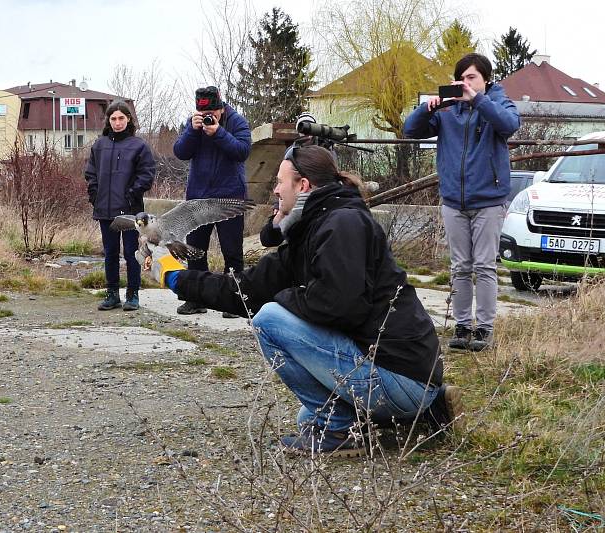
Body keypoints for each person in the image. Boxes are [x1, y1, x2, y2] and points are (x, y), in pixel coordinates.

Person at [138, 145, 463, 456]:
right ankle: (423, 413)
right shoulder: (314, 228)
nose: (276, 191)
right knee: (306, 418)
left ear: (303, 184)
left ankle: (343, 430)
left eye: (280, 182)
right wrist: (177, 277)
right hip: (395, 374)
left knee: (269, 319)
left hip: (400, 373)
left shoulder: (343, 224)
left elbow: (339, 306)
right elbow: (246, 289)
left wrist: (281, 301)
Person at [404, 53, 521, 352]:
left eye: (472, 78)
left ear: (486, 80)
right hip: (454, 200)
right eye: (462, 78)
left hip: (488, 200)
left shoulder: (496, 102)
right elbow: (411, 130)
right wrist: (427, 108)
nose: (466, 83)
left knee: (484, 266)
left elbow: (509, 124)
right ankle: (461, 324)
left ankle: (483, 329)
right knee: (459, 266)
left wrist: (477, 101)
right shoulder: (448, 109)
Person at [172, 86, 251, 316]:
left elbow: (243, 151)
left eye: (213, 114)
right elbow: (180, 152)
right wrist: (193, 131)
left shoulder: (236, 121)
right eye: (205, 114)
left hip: (229, 197)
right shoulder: (193, 123)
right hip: (199, 198)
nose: (209, 118)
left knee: (232, 251)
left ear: (221, 108)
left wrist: (218, 132)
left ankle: (234, 301)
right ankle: (196, 299)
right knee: (195, 250)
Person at [86, 100, 155, 311]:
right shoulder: (99, 145)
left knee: (132, 252)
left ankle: (133, 294)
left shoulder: (139, 146)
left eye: (121, 118)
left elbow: (147, 175)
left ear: (128, 120)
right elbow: (90, 173)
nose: (117, 122)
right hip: (105, 210)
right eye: (113, 119)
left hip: (131, 211)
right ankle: (112, 293)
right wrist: (94, 195)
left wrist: (132, 193)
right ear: (108, 120)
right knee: (110, 252)